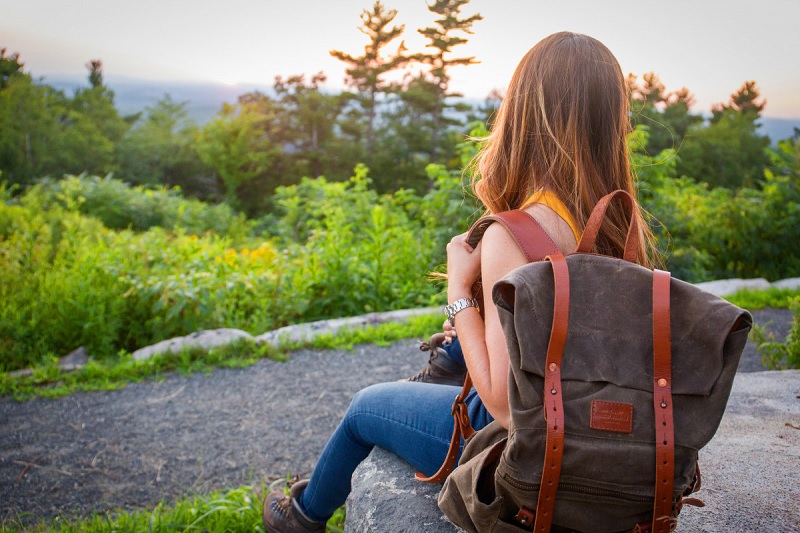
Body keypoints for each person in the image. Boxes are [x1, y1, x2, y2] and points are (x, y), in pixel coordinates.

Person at [262, 31, 659, 533]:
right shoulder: (617, 224)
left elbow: (501, 402)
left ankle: (301, 515)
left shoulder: (515, 235)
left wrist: (458, 294)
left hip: (532, 448)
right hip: (594, 427)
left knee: (365, 407)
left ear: (521, 115)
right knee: (448, 363)